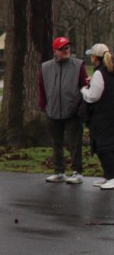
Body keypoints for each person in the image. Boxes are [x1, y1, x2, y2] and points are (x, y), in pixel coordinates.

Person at [38, 36, 89, 184]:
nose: (66, 50)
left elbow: (84, 87)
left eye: (67, 48)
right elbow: (42, 87)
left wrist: (80, 107)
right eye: (62, 49)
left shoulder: (78, 65)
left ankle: (77, 172)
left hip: (73, 112)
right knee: (56, 143)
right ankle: (59, 171)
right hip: (53, 110)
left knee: (75, 143)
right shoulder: (45, 67)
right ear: (55, 51)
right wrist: (44, 105)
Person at [81, 43, 114, 189]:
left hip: (102, 115)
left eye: (92, 56)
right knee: (109, 145)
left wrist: (84, 90)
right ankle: (108, 175)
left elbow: (93, 96)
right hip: (110, 113)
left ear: (95, 57)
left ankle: (112, 177)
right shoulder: (109, 70)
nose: (91, 58)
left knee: (103, 146)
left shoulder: (99, 73)